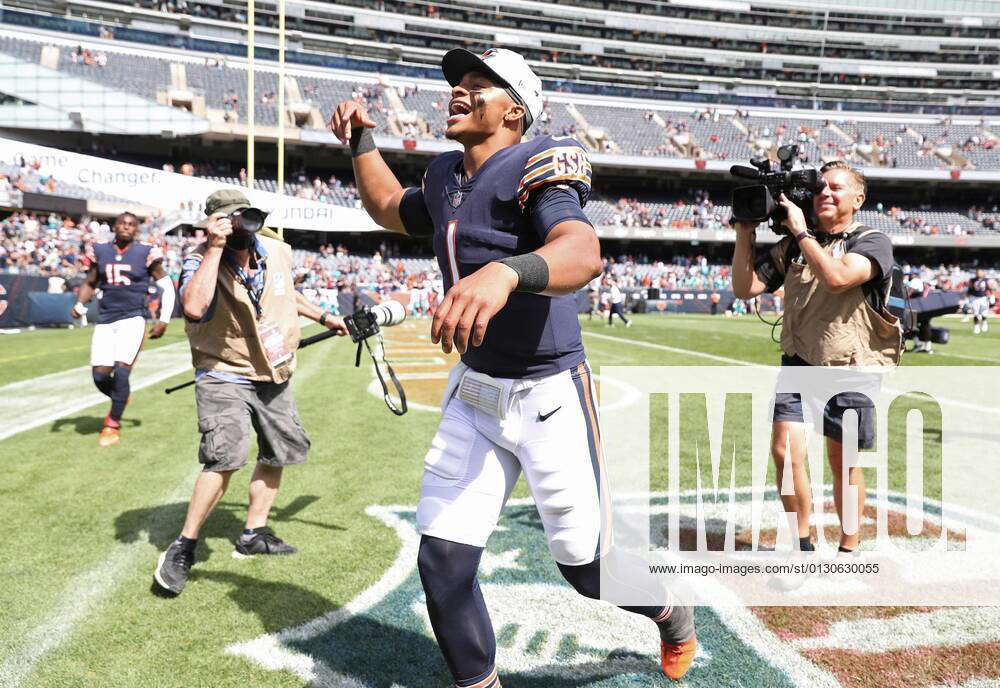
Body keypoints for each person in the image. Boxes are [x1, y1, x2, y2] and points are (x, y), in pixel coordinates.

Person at [329, 47, 696, 686]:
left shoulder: (537, 160)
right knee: (442, 563)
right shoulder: (447, 174)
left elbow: (582, 250)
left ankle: (670, 610)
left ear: (517, 110)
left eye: (479, 85)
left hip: (549, 392)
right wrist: (362, 141)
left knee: (586, 568)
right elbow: (389, 205)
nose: (459, 92)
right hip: (475, 391)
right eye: (458, 84)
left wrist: (505, 272)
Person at [152, 190, 348, 596]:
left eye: (245, 217)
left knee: (281, 449)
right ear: (215, 223)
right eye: (232, 219)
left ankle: (253, 533)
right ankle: (184, 545)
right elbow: (193, 306)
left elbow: (285, 293)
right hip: (224, 370)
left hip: (273, 370)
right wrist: (214, 248)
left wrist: (327, 317)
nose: (242, 225)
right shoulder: (198, 259)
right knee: (225, 456)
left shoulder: (276, 251)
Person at [731, 160, 902, 558]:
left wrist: (801, 231)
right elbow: (745, 287)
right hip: (798, 362)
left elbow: (838, 278)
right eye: (821, 187)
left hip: (850, 368)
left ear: (859, 199)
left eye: (837, 188)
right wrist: (744, 233)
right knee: (784, 452)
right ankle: (803, 542)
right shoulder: (793, 244)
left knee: (843, 462)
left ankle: (849, 546)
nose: (826, 193)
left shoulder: (871, 241)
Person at [70, 212, 175, 447]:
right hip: (106, 317)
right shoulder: (101, 250)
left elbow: (166, 284)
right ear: (115, 226)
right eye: (122, 223)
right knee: (99, 375)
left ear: (136, 229)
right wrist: (79, 304)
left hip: (133, 317)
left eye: (131, 224)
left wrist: (164, 319)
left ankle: (112, 424)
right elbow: (90, 282)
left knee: (122, 370)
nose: (126, 227)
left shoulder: (146, 252)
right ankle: (121, 396)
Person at [967, 268, 991, 334]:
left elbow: (990, 289)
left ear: (983, 273)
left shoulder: (986, 280)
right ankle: (976, 326)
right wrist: (966, 299)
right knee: (975, 313)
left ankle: (984, 322)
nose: (979, 274)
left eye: (980, 272)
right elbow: (969, 289)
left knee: (984, 313)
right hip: (974, 297)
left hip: (983, 298)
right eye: (977, 272)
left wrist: (990, 295)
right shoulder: (972, 280)